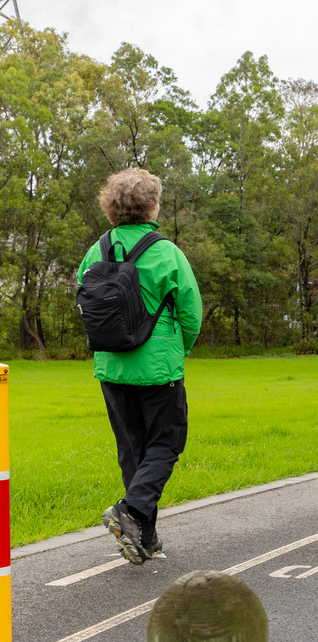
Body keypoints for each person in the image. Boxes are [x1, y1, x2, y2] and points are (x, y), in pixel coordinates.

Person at [78, 168, 202, 565]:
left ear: (110, 207)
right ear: (152, 206)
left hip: (112, 368)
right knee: (165, 445)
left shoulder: (96, 250)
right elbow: (191, 313)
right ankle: (128, 513)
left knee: (132, 450)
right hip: (158, 368)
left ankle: (144, 537)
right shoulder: (166, 251)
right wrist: (179, 348)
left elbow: (87, 303)